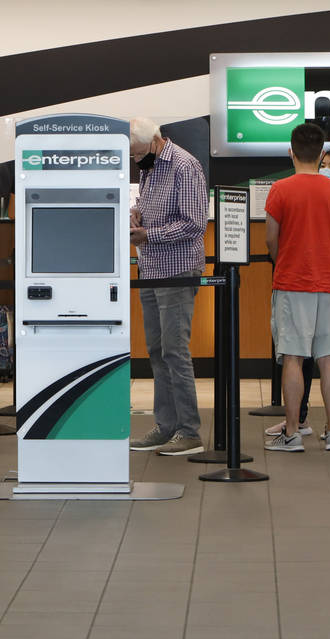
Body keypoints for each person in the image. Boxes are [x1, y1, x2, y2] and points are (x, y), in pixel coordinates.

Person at [263, 123, 330, 453]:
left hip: (291, 281)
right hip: (329, 283)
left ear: (291, 152)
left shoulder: (280, 189)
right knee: (329, 359)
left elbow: (271, 238)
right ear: (321, 154)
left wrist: (285, 258)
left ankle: (291, 433)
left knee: (293, 358)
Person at [126, 117, 209, 456]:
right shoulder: (149, 168)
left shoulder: (184, 165)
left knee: (175, 351)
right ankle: (166, 426)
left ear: (155, 141)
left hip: (176, 270)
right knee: (157, 352)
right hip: (151, 268)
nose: (135, 160)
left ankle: (190, 431)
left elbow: (195, 223)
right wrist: (136, 213)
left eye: (137, 153)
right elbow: (154, 208)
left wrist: (150, 235)